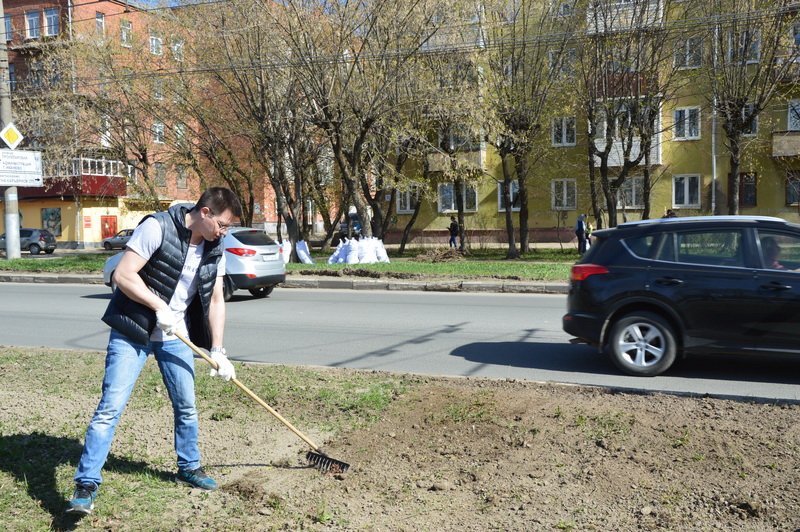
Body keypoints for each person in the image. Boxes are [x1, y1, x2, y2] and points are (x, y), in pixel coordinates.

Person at [67, 187, 243, 516]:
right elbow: (123, 274)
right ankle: (86, 483)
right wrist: (158, 306)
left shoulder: (215, 246)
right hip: (133, 330)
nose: (224, 232)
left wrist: (218, 350)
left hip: (176, 335)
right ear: (204, 213)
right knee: (110, 408)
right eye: (222, 224)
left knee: (186, 405)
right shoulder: (157, 227)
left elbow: (216, 299)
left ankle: (189, 467)